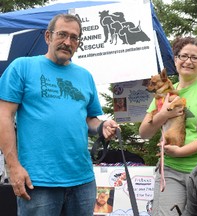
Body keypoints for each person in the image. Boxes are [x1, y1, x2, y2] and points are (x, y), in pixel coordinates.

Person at [0, 14, 119, 216]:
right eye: (62, 34)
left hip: (82, 180)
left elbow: (90, 119)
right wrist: (13, 167)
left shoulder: (85, 76)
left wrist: (102, 126)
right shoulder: (22, 67)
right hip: (38, 181)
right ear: (48, 36)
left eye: (74, 37)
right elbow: (4, 116)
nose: (67, 42)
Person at [139, 36, 197, 215]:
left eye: (195, 58)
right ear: (175, 59)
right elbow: (144, 133)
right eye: (183, 56)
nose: (188, 61)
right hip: (170, 171)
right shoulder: (163, 92)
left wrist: (182, 151)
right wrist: (163, 114)